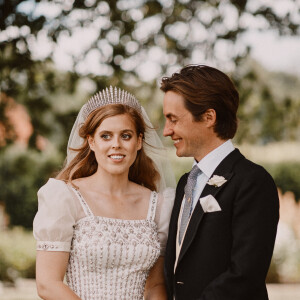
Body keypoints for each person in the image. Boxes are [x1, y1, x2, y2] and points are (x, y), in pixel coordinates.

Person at [33, 86, 176, 300]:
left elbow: (155, 285)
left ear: (138, 141)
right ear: (91, 142)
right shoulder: (65, 197)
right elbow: (48, 284)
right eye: (106, 136)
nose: (116, 145)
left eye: (125, 136)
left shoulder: (160, 206)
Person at [161, 65, 279, 300]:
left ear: (208, 117)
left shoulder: (253, 182)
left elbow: (244, 275)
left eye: (173, 119)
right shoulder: (187, 182)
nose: (167, 131)